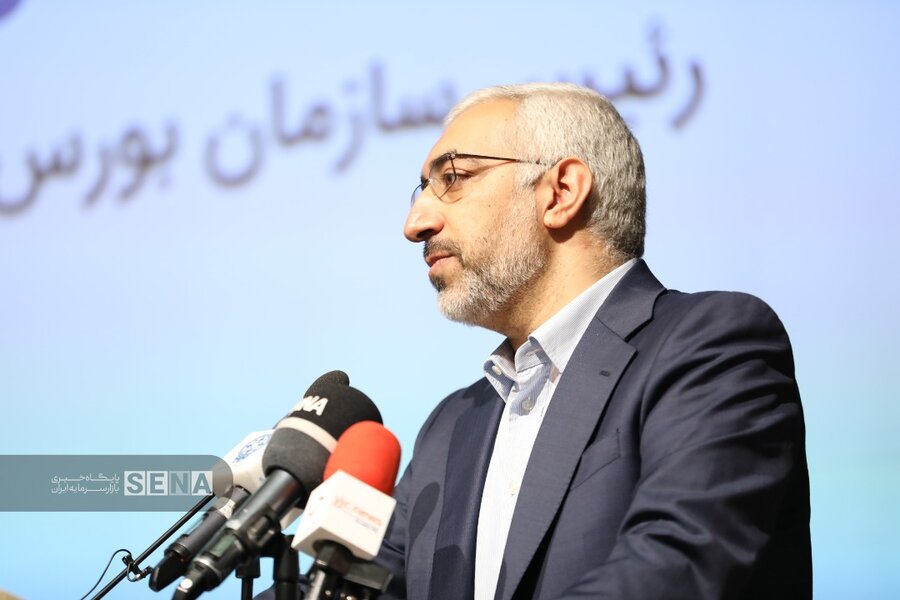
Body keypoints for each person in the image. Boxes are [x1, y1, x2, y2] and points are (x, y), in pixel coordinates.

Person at [375, 83, 811, 600]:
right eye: (422, 190)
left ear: (561, 192)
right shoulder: (450, 425)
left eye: (453, 178)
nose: (416, 224)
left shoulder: (713, 346)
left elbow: (676, 569)